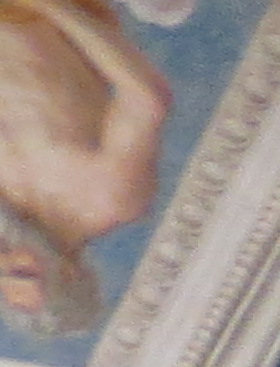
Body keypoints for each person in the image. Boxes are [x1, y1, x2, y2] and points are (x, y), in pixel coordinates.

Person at [0, 0, 167, 346]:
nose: (5, 260)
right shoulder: (110, 200)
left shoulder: (8, 213)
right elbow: (146, 98)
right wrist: (55, 8)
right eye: (22, 271)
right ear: (68, 272)